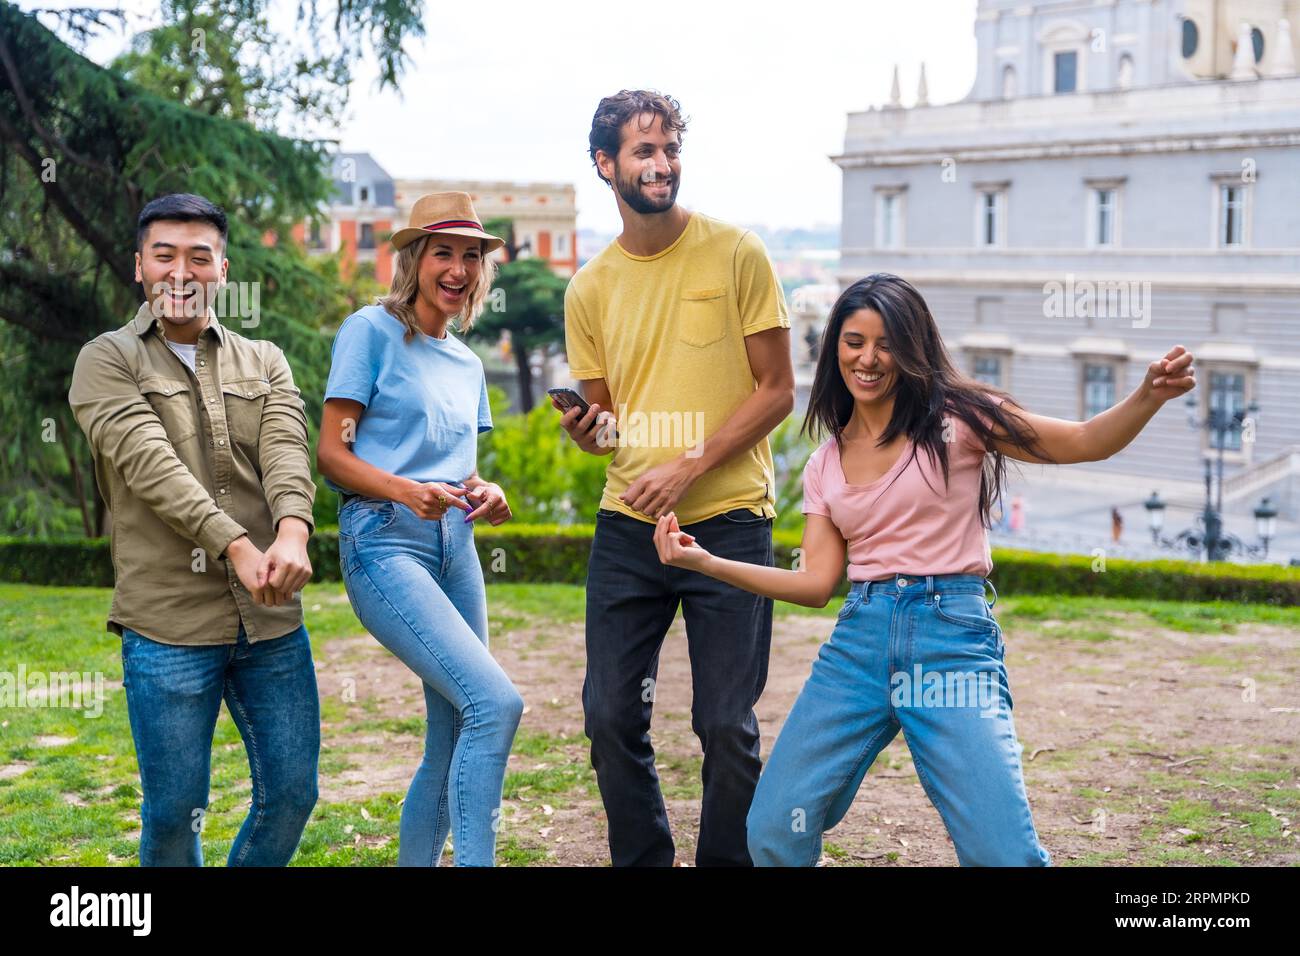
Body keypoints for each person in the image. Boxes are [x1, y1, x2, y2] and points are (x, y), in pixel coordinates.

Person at [652, 273, 1197, 866]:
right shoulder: (826, 462)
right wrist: (705, 561)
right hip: (858, 646)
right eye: (854, 341)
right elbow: (815, 585)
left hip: (951, 642)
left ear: (911, 348)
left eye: (886, 343)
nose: (869, 358)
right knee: (774, 828)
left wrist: (1148, 395)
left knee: (1003, 855)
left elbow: (1084, 440)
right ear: (835, 347)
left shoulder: (962, 419)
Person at [555, 90, 795, 866]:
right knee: (607, 714)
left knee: (726, 722)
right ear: (606, 164)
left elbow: (778, 391)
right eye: (643, 151)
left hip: (729, 523)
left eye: (669, 150)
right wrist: (592, 434)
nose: (661, 165)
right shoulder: (589, 288)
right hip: (629, 528)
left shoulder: (737, 253)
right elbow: (611, 420)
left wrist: (692, 461)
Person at [68, 193, 320, 866]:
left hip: (271, 621)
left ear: (222, 269)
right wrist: (236, 545)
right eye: (165, 255)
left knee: (294, 795)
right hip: (167, 625)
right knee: (176, 813)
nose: (182, 271)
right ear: (139, 268)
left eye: (199, 256)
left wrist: (292, 532)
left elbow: (287, 451)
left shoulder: (265, 360)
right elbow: (151, 465)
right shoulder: (107, 360)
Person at [317, 192, 523, 867]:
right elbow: (334, 454)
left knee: (457, 726)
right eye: (444, 252)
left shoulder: (466, 363)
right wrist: (406, 490)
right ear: (415, 259)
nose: (458, 268)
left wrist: (482, 489)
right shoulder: (369, 332)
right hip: (383, 542)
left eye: (471, 255)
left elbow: (456, 468)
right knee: (496, 703)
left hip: (455, 549)